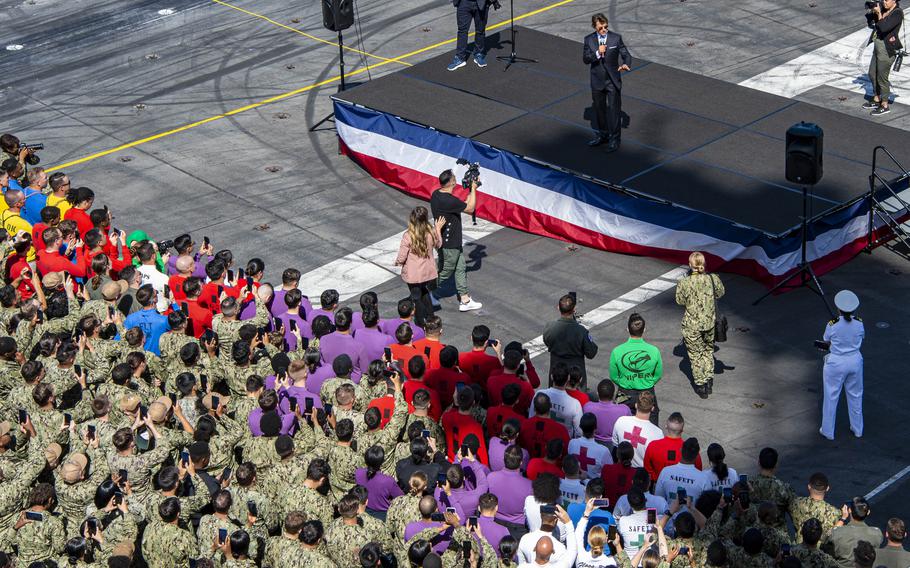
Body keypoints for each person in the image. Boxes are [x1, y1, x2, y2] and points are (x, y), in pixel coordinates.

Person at [430, 169, 482, 311]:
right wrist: (473, 188)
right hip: (450, 244)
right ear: (451, 182)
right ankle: (425, 293)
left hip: (448, 242)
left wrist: (472, 189)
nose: (456, 179)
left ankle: (464, 300)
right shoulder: (449, 201)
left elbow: (464, 204)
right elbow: (470, 208)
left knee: (461, 268)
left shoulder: (436, 195)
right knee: (445, 272)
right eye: (454, 178)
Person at [675, 251, 724, 399]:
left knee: (695, 355)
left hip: (692, 325)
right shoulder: (712, 278)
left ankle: (701, 385)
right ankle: (709, 381)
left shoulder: (684, 282)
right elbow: (721, 292)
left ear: (690, 265)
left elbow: (679, 301)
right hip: (709, 322)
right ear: (703, 264)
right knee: (708, 351)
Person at [582, 13, 631, 153]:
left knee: (614, 111)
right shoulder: (589, 40)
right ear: (594, 27)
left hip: (612, 81)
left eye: (605, 27)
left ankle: (615, 139)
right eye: (601, 28)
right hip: (597, 81)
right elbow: (586, 59)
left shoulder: (615, 38)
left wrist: (626, 63)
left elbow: (626, 54)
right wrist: (598, 52)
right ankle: (603, 135)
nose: (604, 30)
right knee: (599, 110)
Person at [819, 290, 865, 440]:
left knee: (831, 396)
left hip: (837, 362)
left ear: (838, 308)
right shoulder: (859, 323)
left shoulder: (833, 324)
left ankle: (828, 431)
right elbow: (861, 337)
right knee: (856, 396)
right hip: (855, 360)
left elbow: (826, 340)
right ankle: (858, 429)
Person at [395, 206, 444, 327]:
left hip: (413, 274)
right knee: (424, 293)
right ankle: (431, 316)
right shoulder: (430, 232)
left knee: (416, 296)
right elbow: (438, 244)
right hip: (427, 271)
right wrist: (438, 229)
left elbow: (402, 255)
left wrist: (398, 262)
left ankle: (420, 323)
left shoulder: (408, 235)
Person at [609, 312, 662, 425]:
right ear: (644, 329)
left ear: (627, 329)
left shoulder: (617, 351)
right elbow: (658, 374)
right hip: (647, 392)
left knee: (622, 424)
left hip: (624, 393)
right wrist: (648, 381)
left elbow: (613, 376)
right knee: (651, 424)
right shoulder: (654, 351)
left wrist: (624, 382)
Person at [542, 294, 598, 388]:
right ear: (574, 310)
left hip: (557, 374)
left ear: (558, 308)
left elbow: (547, 341)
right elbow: (591, 352)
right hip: (576, 377)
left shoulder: (549, 327)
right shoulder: (581, 331)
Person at [865, 0, 904, 115]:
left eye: (887, 0)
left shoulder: (897, 13)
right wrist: (872, 10)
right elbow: (871, 22)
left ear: (895, 1)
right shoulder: (883, 9)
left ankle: (885, 104)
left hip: (886, 49)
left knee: (882, 78)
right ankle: (877, 99)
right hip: (877, 46)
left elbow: (884, 27)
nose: (884, 2)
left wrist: (879, 14)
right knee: (872, 74)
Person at [825, 497, 883, 568]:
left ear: (849, 510)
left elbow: (827, 537)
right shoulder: (877, 534)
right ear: (868, 512)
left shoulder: (837, 533)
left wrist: (843, 519)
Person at [448, 0, 492, 71]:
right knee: (462, 31)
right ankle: (460, 57)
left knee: (480, 30)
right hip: (463, 3)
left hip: (481, 3)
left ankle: (479, 54)